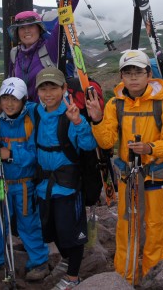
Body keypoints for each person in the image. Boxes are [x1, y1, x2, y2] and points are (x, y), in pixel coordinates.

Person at [85, 50, 163, 284]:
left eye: (138, 72)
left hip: (156, 176)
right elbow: (106, 142)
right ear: (121, 76)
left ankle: (153, 279)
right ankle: (124, 279)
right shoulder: (114, 104)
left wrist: (150, 148)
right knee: (127, 227)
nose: (133, 77)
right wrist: (96, 120)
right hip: (129, 176)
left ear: (149, 74)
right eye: (128, 73)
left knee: (156, 227)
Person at [33, 67, 97, 289]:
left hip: (68, 186)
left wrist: (78, 122)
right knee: (51, 230)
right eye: (43, 88)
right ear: (38, 91)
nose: (48, 93)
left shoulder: (71, 114)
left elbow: (88, 146)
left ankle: (73, 277)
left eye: (53, 87)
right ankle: (68, 259)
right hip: (44, 186)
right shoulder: (36, 113)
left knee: (70, 233)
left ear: (63, 89)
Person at [0, 77, 50, 282]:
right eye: (5, 98)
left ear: (23, 100)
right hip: (0, 183)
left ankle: (39, 261)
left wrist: (9, 154)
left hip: (24, 184)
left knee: (29, 223)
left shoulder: (32, 118)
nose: (9, 104)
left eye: (15, 99)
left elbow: (35, 154)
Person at [7, 0, 83, 100]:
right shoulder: (15, 54)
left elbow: (62, 24)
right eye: (21, 27)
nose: (26, 30)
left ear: (39, 29)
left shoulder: (49, 48)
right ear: (17, 32)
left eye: (31, 26)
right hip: (24, 114)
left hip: (49, 113)